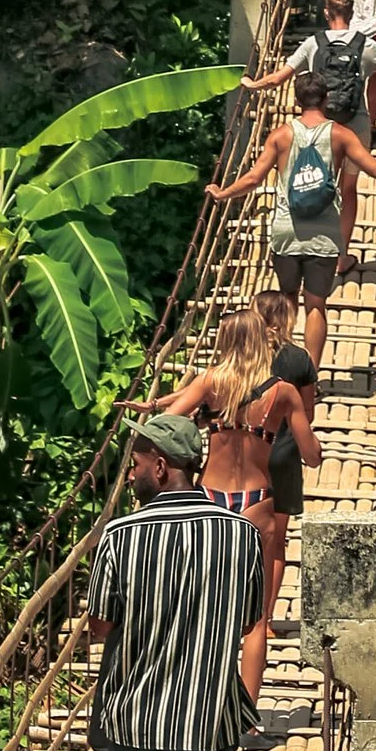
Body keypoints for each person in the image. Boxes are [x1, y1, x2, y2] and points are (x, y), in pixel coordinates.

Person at [81, 411, 267, 751]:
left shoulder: (121, 534)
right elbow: (248, 617)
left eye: (136, 463)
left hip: (133, 716)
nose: (132, 473)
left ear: (160, 467)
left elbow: (100, 626)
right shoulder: (241, 535)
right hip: (205, 718)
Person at [158, 295, 322, 701]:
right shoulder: (282, 392)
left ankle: (196, 700)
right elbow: (311, 455)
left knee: (201, 608)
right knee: (256, 620)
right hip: (256, 501)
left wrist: (201, 429)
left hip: (209, 498)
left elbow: (166, 425)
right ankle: (246, 720)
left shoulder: (210, 382)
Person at [206, 72, 376, 368]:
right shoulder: (341, 134)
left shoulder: (281, 135)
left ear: (296, 101)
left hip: (287, 230)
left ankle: (280, 367)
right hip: (323, 233)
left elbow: (253, 178)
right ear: (326, 99)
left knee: (286, 300)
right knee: (316, 305)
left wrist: (223, 194)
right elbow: (375, 169)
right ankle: (309, 374)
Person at [243, 13, 376, 256]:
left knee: (316, 182)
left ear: (326, 12)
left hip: (320, 126)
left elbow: (278, 78)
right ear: (352, 14)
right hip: (354, 125)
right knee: (348, 189)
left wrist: (253, 85)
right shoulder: (367, 45)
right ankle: (342, 255)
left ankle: (311, 244)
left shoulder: (312, 43)